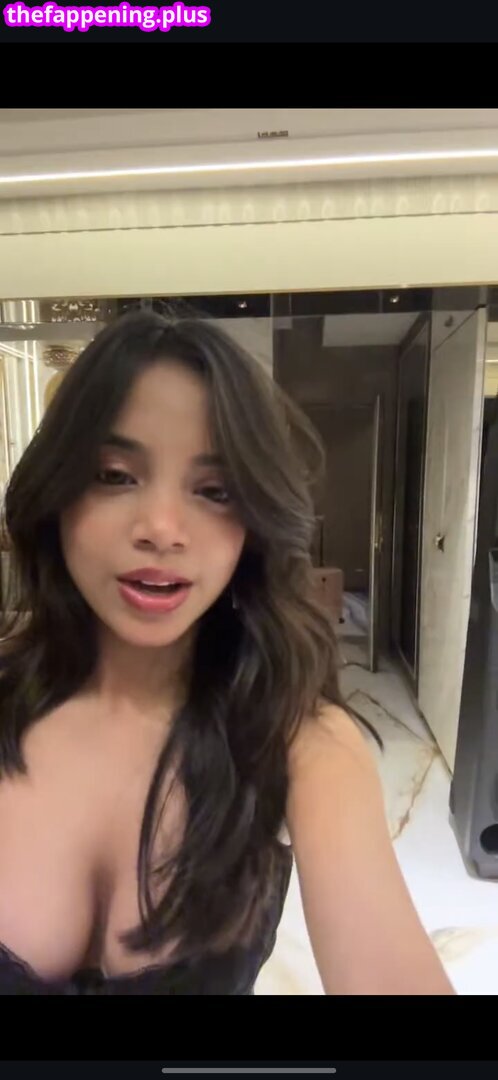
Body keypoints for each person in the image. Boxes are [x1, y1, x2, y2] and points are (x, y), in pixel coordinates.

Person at [0, 310, 455, 995]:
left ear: (253, 524)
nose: (161, 529)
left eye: (215, 491)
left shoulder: (304, 746)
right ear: (58, 492)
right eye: (115, 475)